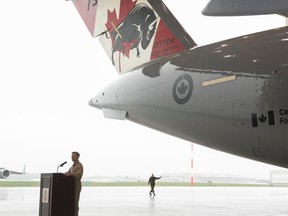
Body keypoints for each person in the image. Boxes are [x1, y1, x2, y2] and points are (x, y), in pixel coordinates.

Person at [65, 151, 84, 216]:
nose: (72, 157)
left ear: (77, 157)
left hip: (76, 186)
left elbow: (78, 175)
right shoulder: (72, 166)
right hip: (71, 187)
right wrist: (64, 174)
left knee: (75, 203)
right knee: (71, 202)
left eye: (73, 156)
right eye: (71, 156)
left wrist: (70, 174)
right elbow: (68, 172)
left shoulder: (79, 165)